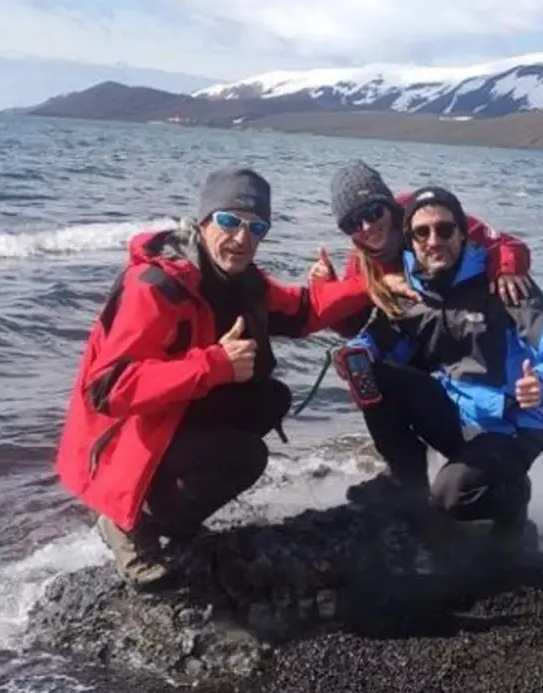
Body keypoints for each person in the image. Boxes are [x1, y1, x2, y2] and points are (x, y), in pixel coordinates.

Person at [54, 167, 391, 589]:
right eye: (229, 222)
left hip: (164, 419)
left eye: (256, 227)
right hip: (117, 441)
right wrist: (212, 365)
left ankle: (173, 521)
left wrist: (374, 285)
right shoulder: (156, 285)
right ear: (203, 222)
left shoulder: (240, 281)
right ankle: (127, 523)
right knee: (246, 456)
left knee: (267, 399)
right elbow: (108, 389)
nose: (243, 238)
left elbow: (301, 310)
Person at [339, 186, 543, 557]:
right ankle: (408, 490)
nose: (434, 240)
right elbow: (378, 338)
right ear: (409, 240)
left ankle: (514, 497)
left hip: (510, 427)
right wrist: (355, 352)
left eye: (445, 229)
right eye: (422, 233)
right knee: (372, 373)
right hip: (454, 417)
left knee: (452, 499)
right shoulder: (410, 291)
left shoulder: (503, 286)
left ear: (462, 232)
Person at [306, 160, 533, 338]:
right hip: (421, 335)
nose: (367, 227)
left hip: (470, 317)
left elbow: (503, 243)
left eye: (374, 212)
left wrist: (507, 269)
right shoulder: (361, 260)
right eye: (352, 223)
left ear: (390, 206)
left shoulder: (425, 215)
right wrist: (327, 286)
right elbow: (351, 327)